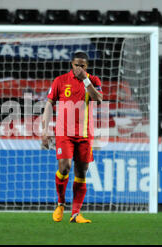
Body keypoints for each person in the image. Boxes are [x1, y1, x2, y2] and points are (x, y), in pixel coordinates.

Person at [41, 51, 103, 223]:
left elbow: (98, 99)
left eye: (83, 66)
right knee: (65, 167)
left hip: (84, 134)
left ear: (87, 66)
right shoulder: (60, 81)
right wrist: (45, 129)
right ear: (71, 64)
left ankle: (75, 214)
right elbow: (48, 104)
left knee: (81, 173)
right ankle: (61, 203)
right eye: (77, 65)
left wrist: (85, 80)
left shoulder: (94, 80)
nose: (79, 68)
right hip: (64, 133)